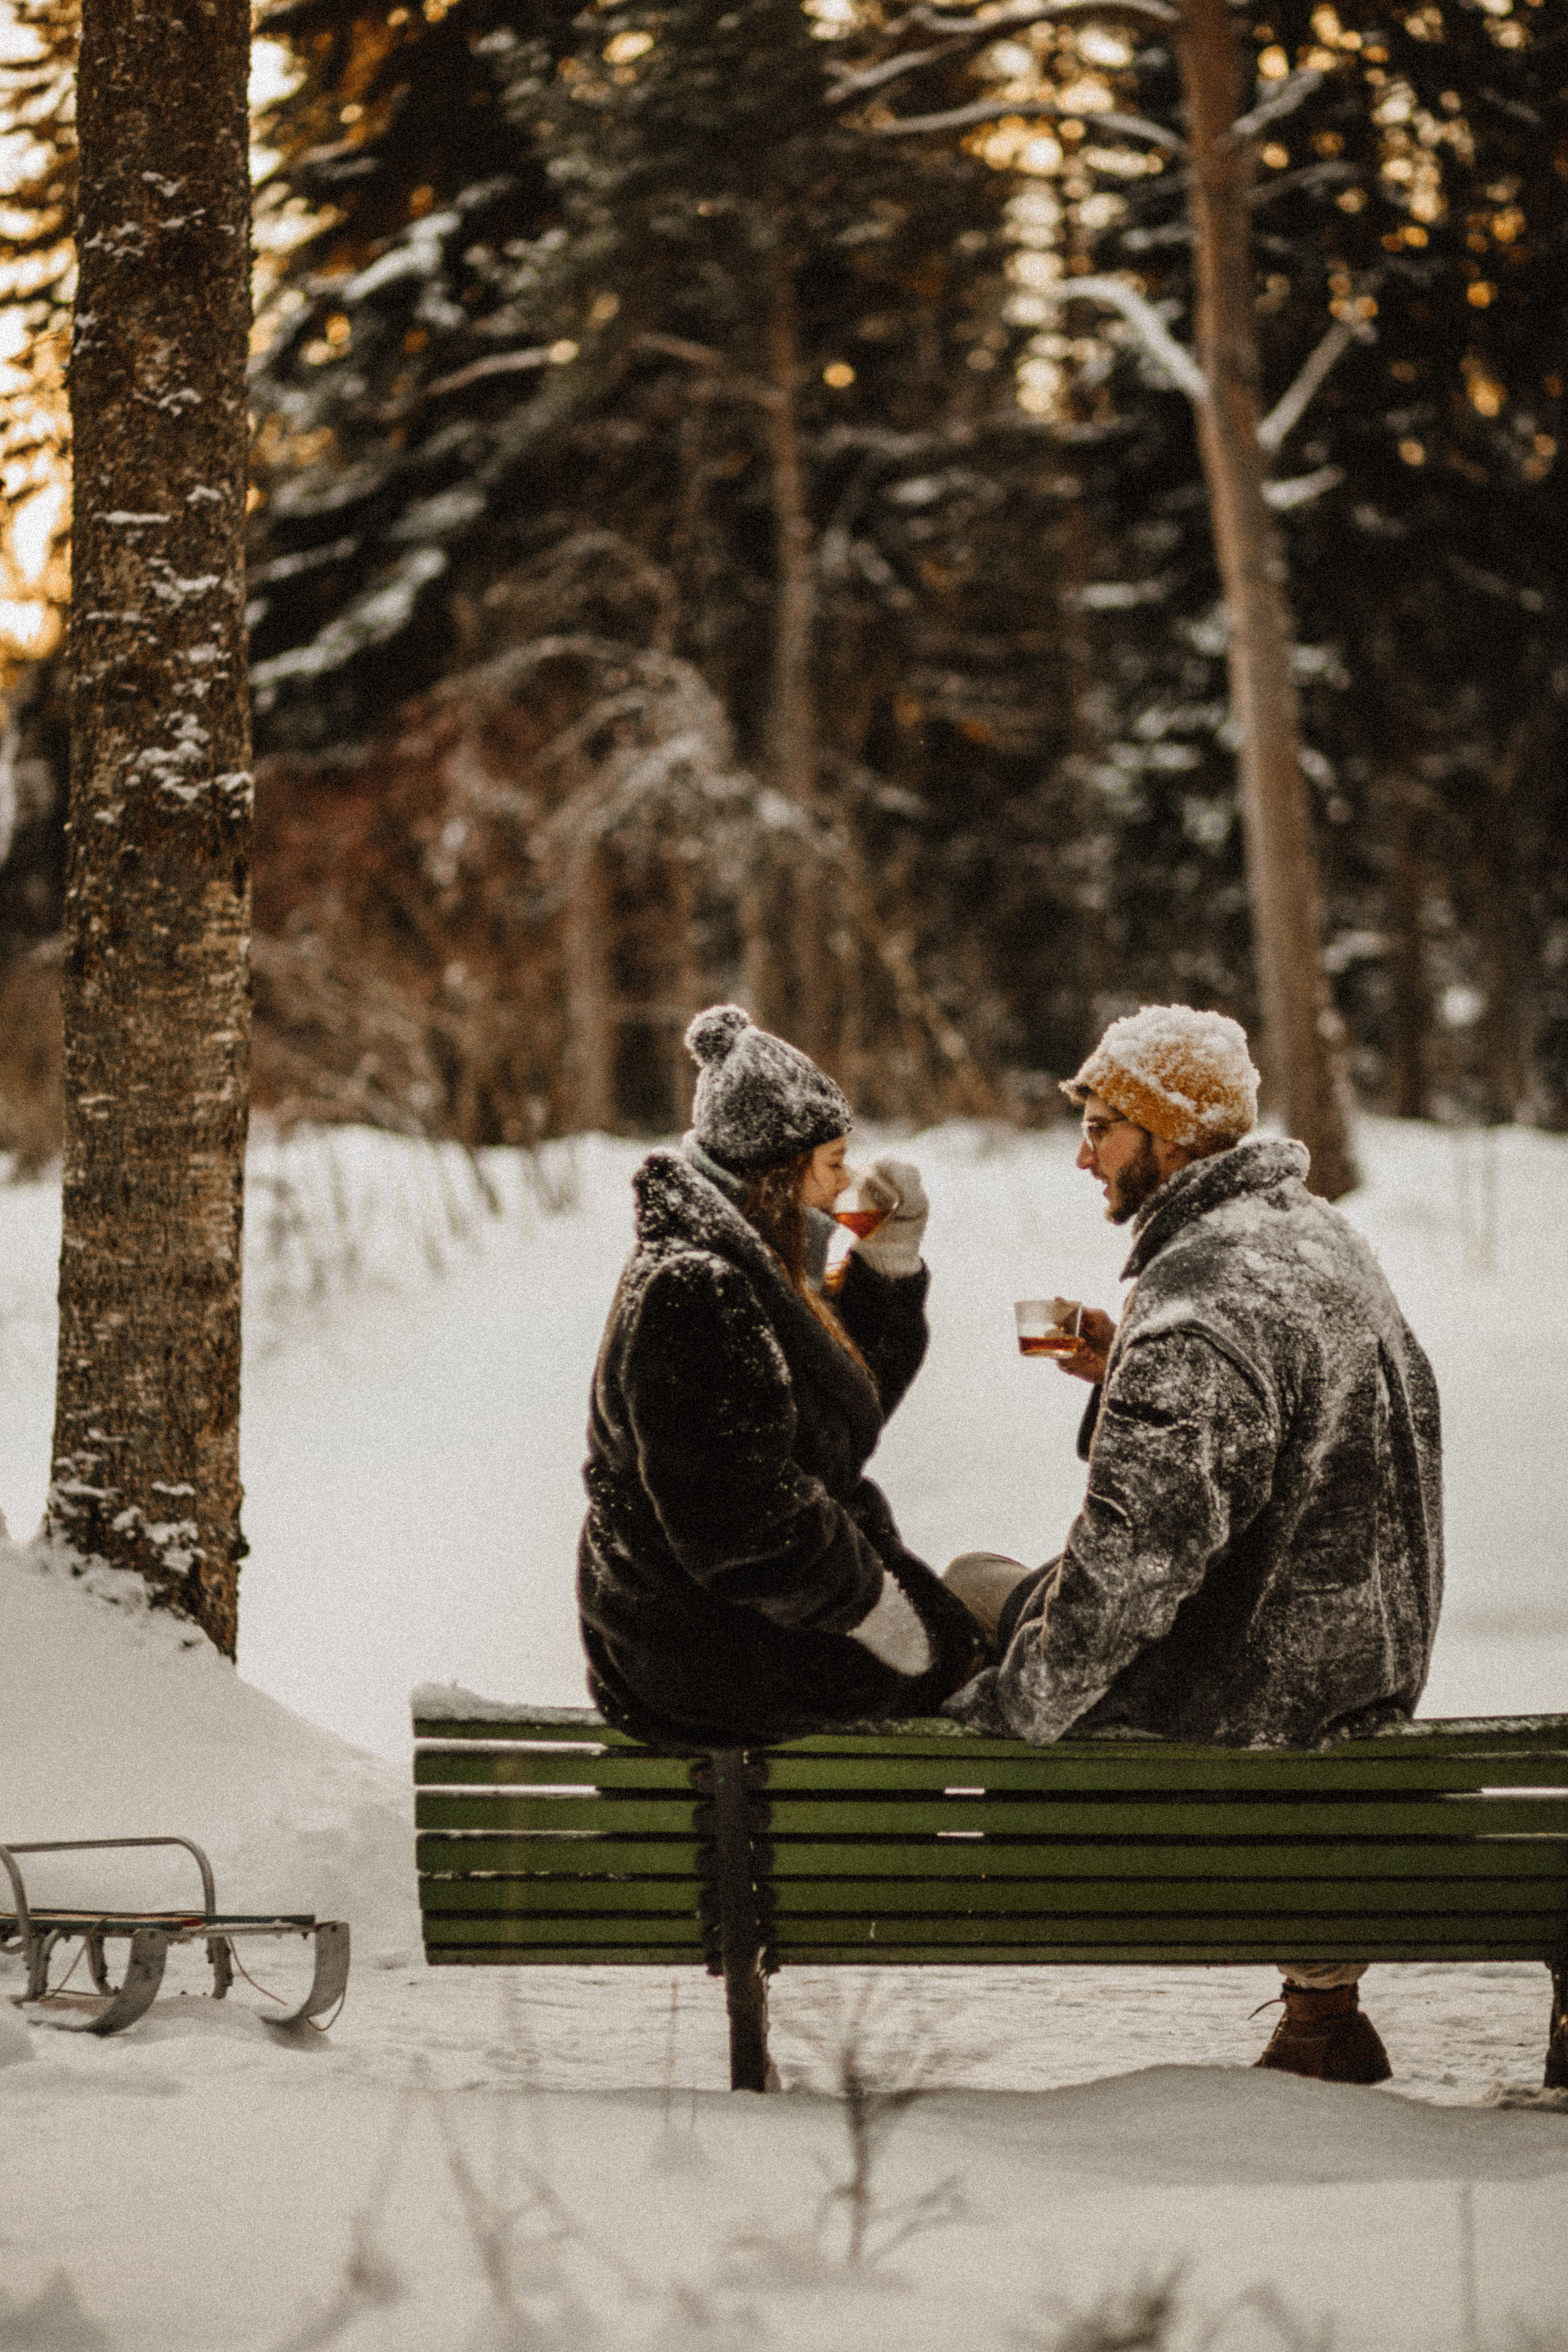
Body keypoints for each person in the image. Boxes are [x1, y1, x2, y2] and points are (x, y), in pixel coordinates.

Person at [944, 1004, 1444, 2085]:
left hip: (1252, 1710)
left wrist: (1005, 1714)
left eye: (1105, 1131)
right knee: (1005, 1590)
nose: (1084, 1157)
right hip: (1362, 1671)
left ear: (1171, 1137)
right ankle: (1322, 2015)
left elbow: (1132, 1571)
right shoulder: (1315, 1237)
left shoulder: (1203, 1305)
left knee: (967, 1591)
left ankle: (1317, 2024)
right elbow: (1289, 1437)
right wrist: (1129, 1363)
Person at [578, 1003, 984, 1749]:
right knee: (972, 1677)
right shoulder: (697, 1291)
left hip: (723, 1619)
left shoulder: (746, 1266)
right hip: (699, 1649)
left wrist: (885, 1268)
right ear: (774, 1171)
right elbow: (735, 1518)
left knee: (969, 1649)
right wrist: (871, 1609)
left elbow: (822, 1428)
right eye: (830, 1164)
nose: (841, 1189)